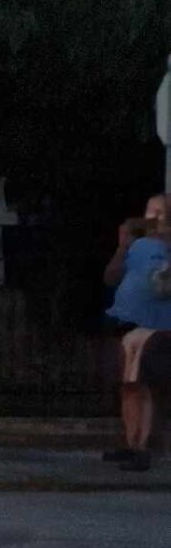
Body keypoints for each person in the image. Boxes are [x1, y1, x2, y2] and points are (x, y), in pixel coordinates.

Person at [103, 193, 171, 472]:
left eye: (159, 212)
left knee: (141, 384)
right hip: (130, 321)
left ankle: (142, 446)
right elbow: (111, 276)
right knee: (128, 385)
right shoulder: (138, 246)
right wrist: (122, 246)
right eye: (149, 211)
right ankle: (131, 442)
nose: (152, 218)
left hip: (157, 324)